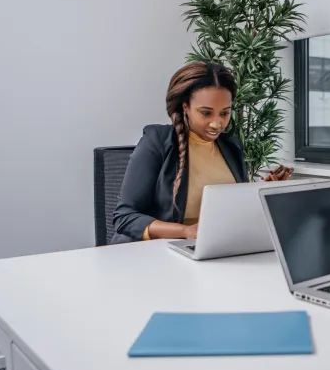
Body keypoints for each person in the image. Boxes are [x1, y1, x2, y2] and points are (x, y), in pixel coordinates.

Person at [112, 61, 292, 244]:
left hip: (214, 248)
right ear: (186, 108)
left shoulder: (231, 146)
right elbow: (125, 217)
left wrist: (263, 192)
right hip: (159, 252)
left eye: (224, 113)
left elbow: (235, 213)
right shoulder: (158, 140)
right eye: (206, 113)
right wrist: (187, 232)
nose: (217, 124)